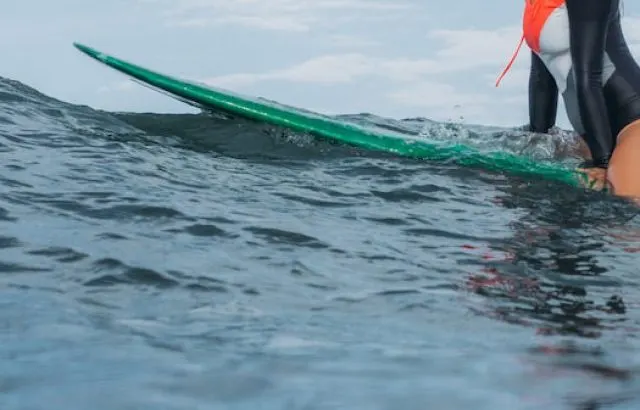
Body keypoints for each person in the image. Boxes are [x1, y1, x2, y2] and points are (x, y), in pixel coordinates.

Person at [496, 0, 640, 200]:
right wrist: (539, 139)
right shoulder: (536, 5)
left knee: (624, 217)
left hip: (632, 123)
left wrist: (602, 163)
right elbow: (541, 79)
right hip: (595, 135)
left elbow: (589, 78)